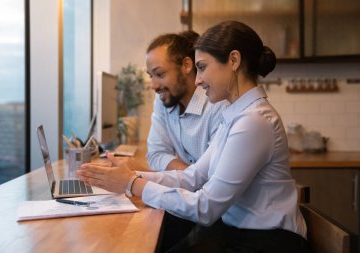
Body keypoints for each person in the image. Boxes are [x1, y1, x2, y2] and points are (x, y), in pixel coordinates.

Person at [77, 20, 309, 253]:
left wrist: (131, 184)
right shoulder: (237, 115)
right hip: (237, 232)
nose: (197, 80)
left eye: (202, 67)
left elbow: (205, 208)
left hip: (269, 242)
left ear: (234, 61)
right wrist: (129, 176)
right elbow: (193, 177)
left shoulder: (254, 122)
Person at [145, 31, 228, 171]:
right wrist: (189, 176)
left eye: (159, 74)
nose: (154, 86)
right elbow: (156, 154)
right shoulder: (164, 98)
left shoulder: (218, 105)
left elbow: (215, 174)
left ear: (186, 66)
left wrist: (188, 178)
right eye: (151, 76)